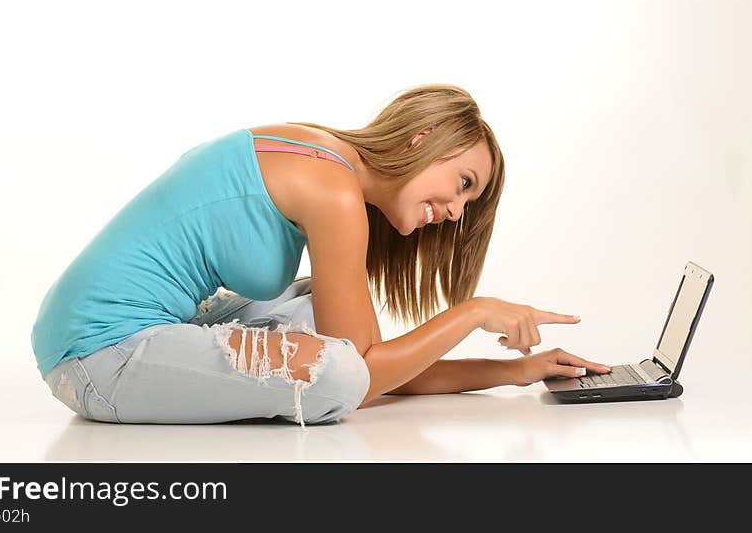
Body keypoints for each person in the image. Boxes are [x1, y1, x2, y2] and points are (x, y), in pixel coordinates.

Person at [32, 83, 611, 428]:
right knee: (336, 375)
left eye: (468, 200)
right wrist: (474, 311)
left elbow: (382, 368)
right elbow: (360, 376)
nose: (457, 212)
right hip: (96, 357)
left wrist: (516, 371)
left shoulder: (322, 152)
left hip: (131, 326)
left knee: (322, 321)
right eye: (462, 182)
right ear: (420, 142)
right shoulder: (334, 194)